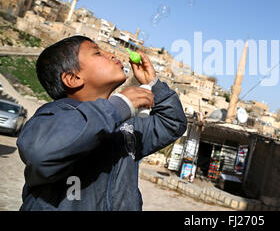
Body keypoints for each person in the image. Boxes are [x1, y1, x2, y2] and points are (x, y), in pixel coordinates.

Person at [16, 36, 187, 210]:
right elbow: (42, 151)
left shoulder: (126, 128)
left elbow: (172, 122)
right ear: (73, 78)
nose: (112, 55)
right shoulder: (54, 116)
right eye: (97, 53)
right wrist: (118, 106)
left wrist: (153, 84)